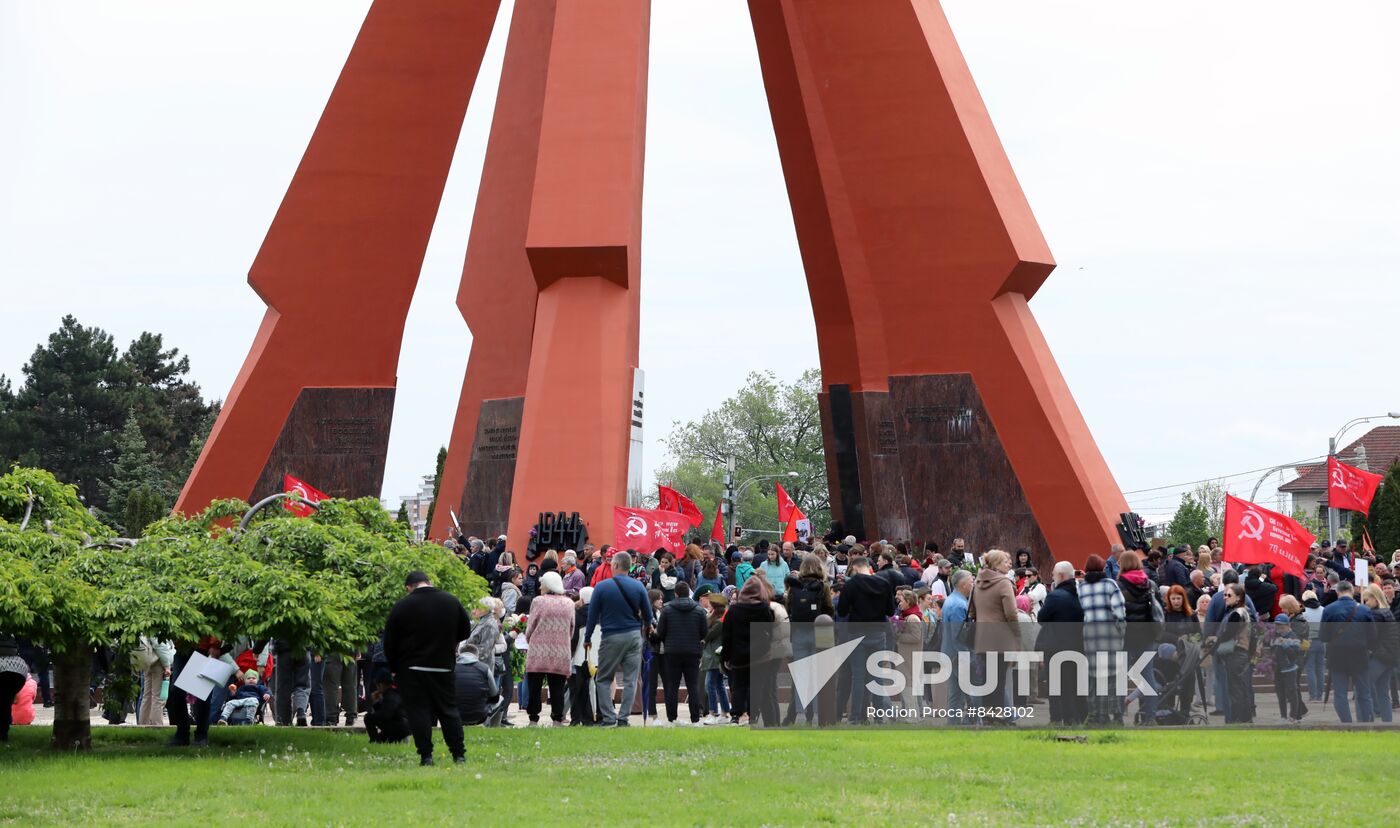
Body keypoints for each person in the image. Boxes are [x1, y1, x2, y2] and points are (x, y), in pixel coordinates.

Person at [383, 570, 472, 766]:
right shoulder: (451, 601)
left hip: (411, 669)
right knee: (448, 711)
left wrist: (394, 666)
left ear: (409, 587)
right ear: (429, 582)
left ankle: (426, 756)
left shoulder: (402, 606)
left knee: (418, 712)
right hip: (443, 666)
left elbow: (389, 641)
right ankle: (458, 754)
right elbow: (465, 630)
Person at [585, 552, 654, 727]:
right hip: (633, 636)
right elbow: (648, 615)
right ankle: (623, 718)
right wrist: (647, 629)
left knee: (603, 678)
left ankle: (608, 718)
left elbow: (592, 617)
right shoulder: (638, 586)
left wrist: (587, 638)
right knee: (631, 679)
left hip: (611, 636)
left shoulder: (601, 587)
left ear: (615, 565)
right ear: (629, 566)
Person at [837, 555, 896, 725]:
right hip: (878, 633)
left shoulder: (851, 585)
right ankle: (878, 716)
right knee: (877, 676)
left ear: (854, 568)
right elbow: (890, 611)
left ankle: (856, 716)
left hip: (857, 633)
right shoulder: (884, 584)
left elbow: (841, 611)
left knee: (858, 676)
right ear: (868, 567)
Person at [784, 554, 835, 723]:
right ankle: (818, 712)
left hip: (798, 632)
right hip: (819, 632)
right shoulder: (823, 586)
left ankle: (802, 712)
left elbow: (789, 608)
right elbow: (829, 609)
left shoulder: (794, 587)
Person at [969, 549, 1018, 718]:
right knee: (999, 679)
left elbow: (973, 612)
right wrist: (1017, 634)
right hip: (1000, 637)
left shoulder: (977, 582)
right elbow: (1011, 613)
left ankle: (989, 714)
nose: (1009, 564)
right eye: (1006, 561)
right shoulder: (1004, 583)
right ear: (996, 564)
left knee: (989, 679)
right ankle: (998, 715)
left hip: (982, 637)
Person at [1036, 562, 1085, 725]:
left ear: (1062, 576)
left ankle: (1056, 717)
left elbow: (1041, 618)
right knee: (1073, 684)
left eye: (1054, 575)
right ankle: (1074, 718)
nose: (1052, 577)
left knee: (1056, 685)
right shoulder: (1081, 594)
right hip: (1077, 645)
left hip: (1055, 646)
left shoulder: (1055, 596)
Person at [1078, 554, 1125, 725]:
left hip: (1090, 634)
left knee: (1094, 676)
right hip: (1110, 634)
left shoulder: (1081, 587)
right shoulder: (1110, 584)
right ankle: (1115, 714)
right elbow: (1119, 611)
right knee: (1113, 676)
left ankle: (1097, 714)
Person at [524, 571, 575, 727]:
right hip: (560, 650)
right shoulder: (569, 603)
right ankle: (557, 719)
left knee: (534, 686)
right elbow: (571, 629)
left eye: (542, 584)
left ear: (548, 585)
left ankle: (533, 719)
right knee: (558, 687)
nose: (540, 586)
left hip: (539, 649)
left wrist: (529, 639)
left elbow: (531, 625)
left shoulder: (538, 601)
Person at [1320, 580, 1375, 723]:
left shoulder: (1329, 609)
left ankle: (1347, 724)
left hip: (1337, 656)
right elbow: (1373, 636)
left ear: (1337, 592)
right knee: (1364, 693)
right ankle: (1366, 724)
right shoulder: (1364, 610)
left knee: (1340, 694)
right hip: (1360, 654)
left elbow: (1323, 636)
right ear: (1352, 591)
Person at [654, 581, 708, 726]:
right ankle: (695, 719)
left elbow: (661, 632)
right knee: (693, 685)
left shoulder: (667, 610)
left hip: (672, 652)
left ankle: (672, 718)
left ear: (676, 593)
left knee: (672, 685)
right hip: (693, 652)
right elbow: (704, 632)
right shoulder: (698, 610)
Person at [722, 578, 775, 725]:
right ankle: (754, 715)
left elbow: (727, 635)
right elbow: (770, 630)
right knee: (756, 687)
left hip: (738, 655)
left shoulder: (733, 610)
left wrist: (725, 656)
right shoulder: (764, 608)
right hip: (760, 655)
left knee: (738, 686)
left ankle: (735, 715)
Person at [1117, 551, 1162, 722]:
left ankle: (1119, 715)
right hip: (1147, 635)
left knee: (1121, 675)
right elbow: (1158, 608)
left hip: (1126, 636)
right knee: (1147, 674)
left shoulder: (1118, 585)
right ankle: (1151, 716)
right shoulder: (1149, 584)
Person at [1210, 584, 1254, 724]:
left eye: (1229, 595)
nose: (1225, 597)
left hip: (1236, 653)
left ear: (1238, 597)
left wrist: (1216, 640)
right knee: (1239, 686)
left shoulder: (1237, 613)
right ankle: (1245, 718)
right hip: (1239, 653)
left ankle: (1238, 719)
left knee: (1235, 688)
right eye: (1224, 595)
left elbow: (1228, 633)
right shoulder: (1240, 612)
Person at [1360, 584, 1398, 724]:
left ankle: (1366, 721)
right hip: (1390, 656)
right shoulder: (1387, 612)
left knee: (1364, 689)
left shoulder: (1376, 615)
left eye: (1367, 600)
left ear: (1375, 599)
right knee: (1383, 692)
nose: (1365, 603)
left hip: (1379, 656)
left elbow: (1371, 637)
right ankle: (1388, 724)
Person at [940, 570, 975, 721]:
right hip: (959, 654)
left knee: (956, 693)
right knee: (972, 691)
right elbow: (960, 634)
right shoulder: (959, 605)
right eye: (971, 581)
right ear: (963, 584)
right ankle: (971, 721)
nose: (973, 584)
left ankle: (954, 722)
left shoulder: (952, 600)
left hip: (951, 652)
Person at [454, 643, 504, 727]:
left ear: (459, 654)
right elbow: (495, 697)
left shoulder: (452, 668)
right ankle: (494, 729)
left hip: (455, 716)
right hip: (479, 717)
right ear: (477, 656)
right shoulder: (484, 668)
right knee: (501, 699)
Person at [1270, 612, 1307, 723]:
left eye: (1281, 626)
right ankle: (1283, 716)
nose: (1279, 628)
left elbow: (1294, 655)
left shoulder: (1293, 637)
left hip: (1289, 669)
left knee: (1291, 693)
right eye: (1277, 625)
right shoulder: (1275, 636)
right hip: (1278, 669)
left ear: (1288, 625)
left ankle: (1293, 716)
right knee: (1280, 693)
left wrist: (1285, 645)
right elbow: (1273, 650)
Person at [700, 594, 730, 725]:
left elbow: (706, 635)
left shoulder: (718, 622)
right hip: (713, 656)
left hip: (713, 656)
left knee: (709, 684)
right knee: (719, 685)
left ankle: (713, 712)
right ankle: (724, 711)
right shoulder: (717, 619)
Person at [134, 636, 174, 726]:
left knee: (146, 697)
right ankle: (157, 725)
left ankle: (143, 724)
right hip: (158, 663)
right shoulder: (157, 627)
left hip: (148, 661)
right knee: (158, 698)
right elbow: (159, 646)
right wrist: (167, 665)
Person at [364, 675, 410, 744]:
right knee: (382, 738)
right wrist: (376, 702)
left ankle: (375, 741)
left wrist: (372, 715)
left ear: (381, 685)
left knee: (368, 717)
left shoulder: (391, 695)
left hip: (399, 727)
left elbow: (386, 714)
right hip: (401, 726)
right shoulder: (394, 692)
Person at [1, 635, 29, 742]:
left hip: (5, 671)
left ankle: (3, 734)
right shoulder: (19, 659)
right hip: (19, 672)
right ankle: (4, 734)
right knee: (5, 703)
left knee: (4, 704)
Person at [1300, 590, 1326, 702]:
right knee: (1320, 669)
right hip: (1321, 641)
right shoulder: (1323, 610)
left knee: (1310, 668)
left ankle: (1313, 695)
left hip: (1308, 641)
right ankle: (1320, 695)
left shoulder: (1303, 612)